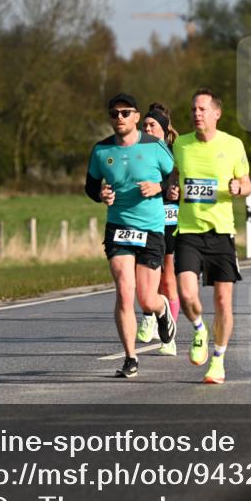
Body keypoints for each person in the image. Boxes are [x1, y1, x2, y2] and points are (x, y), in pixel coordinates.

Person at [85, 93, 176, 378]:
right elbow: (90, 187)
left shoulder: (154, 146)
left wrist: (159, 187)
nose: (120, 118)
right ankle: (130, 357)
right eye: (114, 113)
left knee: (146, 298)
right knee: (125, 292)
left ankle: (161, 310)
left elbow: (175, 176)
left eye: (125, 113)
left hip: (150, 228)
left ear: (136, 116)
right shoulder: (101, 151)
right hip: (118, 228)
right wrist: (100, 193)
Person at [173, 88, 251, 384]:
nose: (196, 114)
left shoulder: (233, 145)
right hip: (189, 231)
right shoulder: (180, 145)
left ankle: (218, 359)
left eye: (202, 109)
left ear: (216, 113)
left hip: (221, 232)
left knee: (222, 300)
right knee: (187, 293)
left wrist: (238, 189)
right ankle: (198, 330)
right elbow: (173, 176)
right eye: (194, 109)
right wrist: (172, 189)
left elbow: (246, 183)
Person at [135, 103, 182, 355]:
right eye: (144, 126)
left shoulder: (176, 152)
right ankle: (149, 316)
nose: (146, 129)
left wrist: (175, 190)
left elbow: (183, 181)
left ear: (164, 130)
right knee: (142, 274)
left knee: (167, 278)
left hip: (169, 217)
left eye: (151, 125)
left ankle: (168, 339)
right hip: (143, 219)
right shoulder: (136, 151)